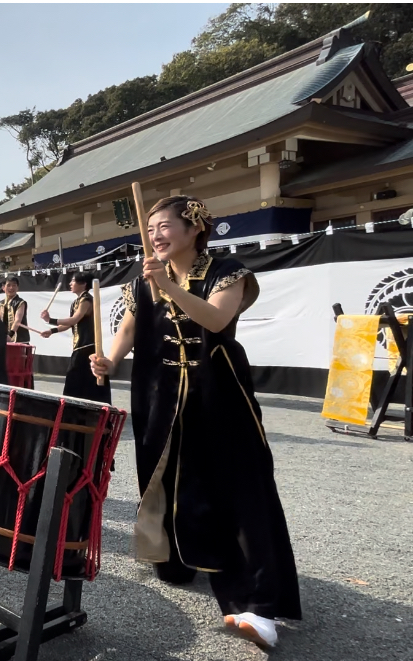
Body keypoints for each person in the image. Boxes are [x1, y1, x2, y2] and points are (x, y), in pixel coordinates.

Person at [90, 196, 300, 648]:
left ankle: (259, 604)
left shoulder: (228, 270)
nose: (155, 236)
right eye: (150, 229)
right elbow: (128, 330)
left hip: (217, 394)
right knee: (165, 481)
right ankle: (180, 558)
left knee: (238, 489)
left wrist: (171, 286)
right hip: (160, 396)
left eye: (164, 226)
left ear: (194, 229)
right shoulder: (144, 280)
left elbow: (217, 318)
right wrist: (108, 360)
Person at [40, 272, 111, 404]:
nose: (70, 284)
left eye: (73, 281)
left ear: (83, 284)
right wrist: (52, 331)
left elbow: (74, 320)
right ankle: (76, 413)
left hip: (87, 347)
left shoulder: (86, 300)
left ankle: (82, 412)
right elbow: (69, 324)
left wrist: (50, 320)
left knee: (79, 381)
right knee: (78, 382)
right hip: (79, 347)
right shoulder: (76, 302)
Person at [0, 276, 30, 343]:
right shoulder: (0, 303)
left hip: (19, 339)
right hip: (4, 338)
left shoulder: (20, 302)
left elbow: (17, 320)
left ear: (17, 288)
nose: (11, 288)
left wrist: (10, 335)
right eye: (8, 285)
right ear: (3, 287)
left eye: (14, 285)